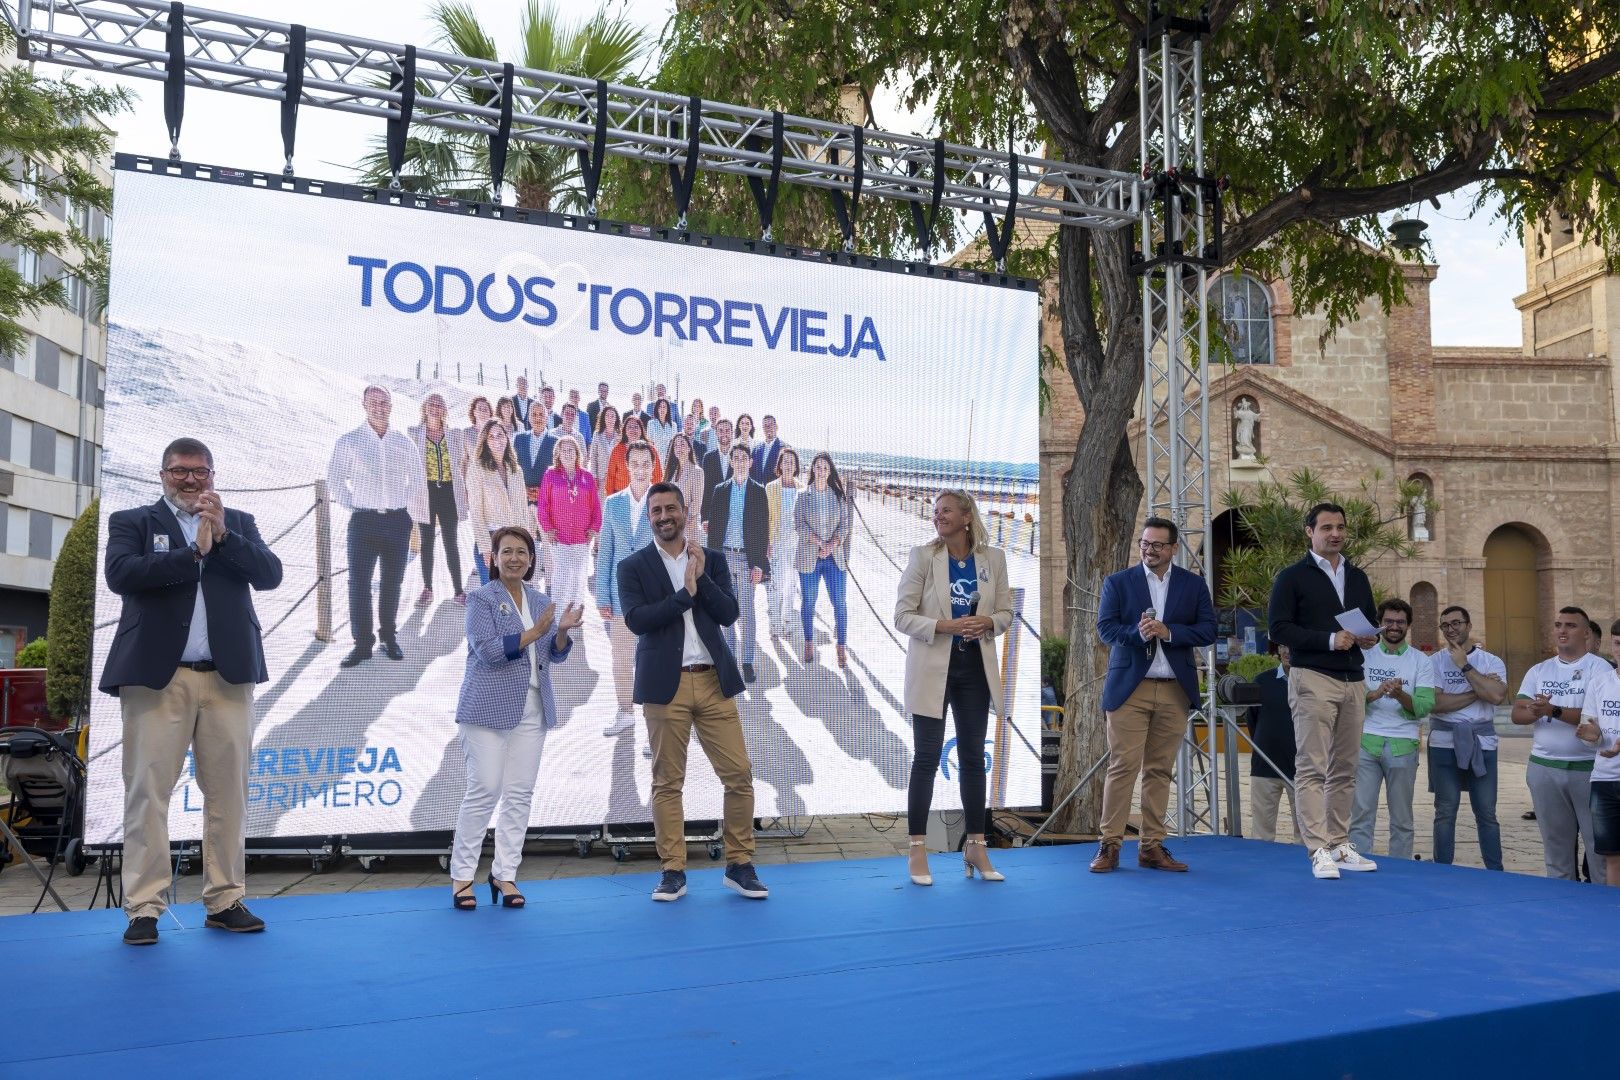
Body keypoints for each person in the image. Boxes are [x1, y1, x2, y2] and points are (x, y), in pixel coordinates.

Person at [100, 437, 284, 945]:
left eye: (199, 471)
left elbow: (270, 575)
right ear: (163, 474)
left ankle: (225, 899)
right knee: (148, 794)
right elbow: (121, 574)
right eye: (179, 471)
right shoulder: (133, 522)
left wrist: (223, 537)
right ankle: (144, 908)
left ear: (212, 475)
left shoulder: (238, 522)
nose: (190, 480)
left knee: (229, 795)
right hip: (157, 679)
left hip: (228, 677)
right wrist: (191, 554)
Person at [618, 480, 768, 903]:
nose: (664, 516)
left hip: (713, 682)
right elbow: (637, 620)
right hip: (665, 688)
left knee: (739, 775)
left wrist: (701, 579)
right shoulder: (633, 566)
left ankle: (739, 864)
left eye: (671, 509)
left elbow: (729, 613)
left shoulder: (711, 559)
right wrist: (685, 593)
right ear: (649, 518)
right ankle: (673, 871)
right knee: (668, 782)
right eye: (656, 511)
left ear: (685, 512)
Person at [450, 526, 582, 909]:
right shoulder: (480, 599)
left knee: (520, 794)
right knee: (485, 789)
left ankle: (505, 874)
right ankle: (462, 877)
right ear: (493, 557)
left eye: (522, 552)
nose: (514, 558)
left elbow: (551, 655)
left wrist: (559, 635)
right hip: (485, 709)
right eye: (506, 551)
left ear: (531, 559)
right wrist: (535, 631)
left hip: (532, 709)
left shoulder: (541, 600)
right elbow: (489, 650)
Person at [894, 490, 1014, 886]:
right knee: (926, 758)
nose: (937, 517)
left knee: (973, 760)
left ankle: (976, 844)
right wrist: (945, 626)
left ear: (966, 517)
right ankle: (916, 848)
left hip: (974, 671)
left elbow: (1006, 612)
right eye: (935, 512)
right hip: (932, 671)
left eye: (946, 511)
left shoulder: (993, 559)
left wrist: (988, 622)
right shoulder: (923, 557)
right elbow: (903, 616)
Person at [1090, 516, 1218, 873]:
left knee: (1160, 770)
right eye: (1145, 543)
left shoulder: (1193, 585)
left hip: (1175, 689)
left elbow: (1209, 629)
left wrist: (1169, 631)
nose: (1149, 550)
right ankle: (1110, 845)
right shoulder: (1119, 582)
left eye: (1157, 545)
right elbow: (1105, 628)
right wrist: (1139, 633)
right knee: (1123, 767)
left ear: (1174, 548)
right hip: (1131, 689)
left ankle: (1152, 846)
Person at [1267, 502, 1381, 879]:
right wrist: (1330, 640)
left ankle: (1340, 841)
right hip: (1313, 676)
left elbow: (1369, 621)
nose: (1335, 534)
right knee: (1312, 766)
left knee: (1346, 768)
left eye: (1341, 527)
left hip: (1354, 679)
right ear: (1309, 531)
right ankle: (1318, 849)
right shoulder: (1291, 577)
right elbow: (1279, 629)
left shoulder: (1358, 576)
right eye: (1327, 527)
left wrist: (1366, 638)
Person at [328, 385, 425, 667]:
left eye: (384, 402)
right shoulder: (350, 441)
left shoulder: (402, 441)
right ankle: (362, 644)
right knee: (358, 584)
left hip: (397, 521)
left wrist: (403, 505)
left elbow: (417, 477)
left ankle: (388, 637)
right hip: (364, 521)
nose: (380, 407)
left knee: (392, 582)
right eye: (374, 402)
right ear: (364, 405)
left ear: (391, 406)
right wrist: (355, 505)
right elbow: (336, 479)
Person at [1512, 605, 1609, 881]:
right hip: (1545, 767)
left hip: (1589, 770)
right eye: (1558, 625)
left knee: (1598, 850)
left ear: (1586, 633)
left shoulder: (1599, 669)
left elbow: (1597, 719)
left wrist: (1552, 710)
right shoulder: (1539, 670)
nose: (1562, 630)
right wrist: (1535, 709)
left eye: (1570, 625)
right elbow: (1517, 713)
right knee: (1556, 850)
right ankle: (1563, 907)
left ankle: (1601, 907)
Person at [1349, 599, 1434, 860]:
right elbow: (1350, 699)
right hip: (1366, 741)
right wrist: (1374, 694)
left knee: (1402, 816)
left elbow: (1425, 706)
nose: (1394, 626)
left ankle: (1401, 869)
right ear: (1380, 624)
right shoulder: (1363, 656)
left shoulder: (1421, 661)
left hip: (1403, 745)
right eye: (1388, 621)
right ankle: (1359, 862)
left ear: (1408, 625)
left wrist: (1399, 695)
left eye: (1399, 622)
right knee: (1361, 813)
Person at [1428, 605, 1508, 870]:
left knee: (1486, 812)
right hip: (1443, 742)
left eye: (1456, 623)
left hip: (1482, 744)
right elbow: (1436, 703)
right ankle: (1442, 869)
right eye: (1445, 625)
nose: (1451, 629)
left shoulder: (1491, 661)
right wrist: (1479, 689)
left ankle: (1495, 871)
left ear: (1469, 625)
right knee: (1445, 811)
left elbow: (1497, 696)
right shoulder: (1435, 662)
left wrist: (1464, 666)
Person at [596, 440, 658, 740]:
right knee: (620, 657)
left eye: (646, 463)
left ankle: (652, 723)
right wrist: (602, 596)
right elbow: (605, 552)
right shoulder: (613, 503)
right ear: (627, 466)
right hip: (621, 597)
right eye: (635, 463)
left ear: (653, 466)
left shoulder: (664, 502)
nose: (641, 469)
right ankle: (624, 711)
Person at [706, 441, 769, 683]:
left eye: (745, 458)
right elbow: (713, 531)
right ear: (731, 462)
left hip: (746, 559)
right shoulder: (720, 490)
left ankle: (748, 661)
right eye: (736, 458)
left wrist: (759, 565)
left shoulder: (758, 491)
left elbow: (762, 530)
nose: (740, 462)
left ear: (750, 463)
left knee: (747, 612)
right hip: (723, 556)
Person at [407, 393, 468, 607]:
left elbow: (462, 463)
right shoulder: (414, 433)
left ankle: (459, 590)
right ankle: (427, 588)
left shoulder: (454, 434)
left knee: (451, 542)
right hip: (426, 492)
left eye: (440, 405)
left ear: (445, 410)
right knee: (427, 542)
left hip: (449, 492)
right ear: (424, 408)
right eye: (431, 404)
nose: (435, 408)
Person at [794, 451, 853, 668]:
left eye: (825, 468)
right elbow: (798, 524)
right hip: (810, 557)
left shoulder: (838, 496)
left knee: (839, 603)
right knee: (808, 602)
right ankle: (809, 642)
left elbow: (845, 526)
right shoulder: (802, 495)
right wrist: (818, 542)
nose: (821, 471)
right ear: (812, 469)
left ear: (830, 472)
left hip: (834, 558)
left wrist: (831, 545)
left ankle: (841, 647)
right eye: (818, 467)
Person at [536, 433, 600, 611]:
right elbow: (543, 505)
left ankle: (577, 609)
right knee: (562, 575)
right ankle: (559, 613)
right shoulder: (550, 475)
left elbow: (595, 506)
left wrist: (594, 529)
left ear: (577, 453)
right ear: (558, 454)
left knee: (579, 575)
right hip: (559, 537)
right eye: (564, 450)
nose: (568, 453)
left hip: (582, 537)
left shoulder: (587, 477)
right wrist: (548, 529)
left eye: (571, 450)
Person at [466, 420, 531, 587]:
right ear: (485, 442)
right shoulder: (477, 468)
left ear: (507, 438)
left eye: (500, 435)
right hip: (491, 540)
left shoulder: (516, 469)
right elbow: (476, 512)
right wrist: (486, 549)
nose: (497, 440)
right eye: (491, 437)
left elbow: (523, 509)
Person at [1247, 645, 1301, 844]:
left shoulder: (1312, 682)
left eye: (1291, 646)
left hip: (1303, 769)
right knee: (1261, 834)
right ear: (1278, 649)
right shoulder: (1262, 681)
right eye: (1283, 646)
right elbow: (1252, 719)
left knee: (1306, 834)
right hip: (1264, 766)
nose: (1288, 651)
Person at [1576, 665, 1620, 886]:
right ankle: (1614, 910)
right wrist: (1591, 736)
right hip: (1604, 778)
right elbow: (1589, 731)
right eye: (1617, 643)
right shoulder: (1599, 683)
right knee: (1611, 855)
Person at [764, 445, 802, 638]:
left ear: (796, 466)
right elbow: (766, 517)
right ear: (779, 464)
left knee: (791, 583)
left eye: (791, 462)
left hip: (796, 543)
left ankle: (786, 621)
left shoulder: (802, 488)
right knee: (776, 583)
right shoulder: (771, 488)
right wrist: (767, 542)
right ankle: (774, 623)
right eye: (785, 461)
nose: (788, 465)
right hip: (777, 541)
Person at [607, 413, 665, 494]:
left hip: (645, 495)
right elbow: (610, 475)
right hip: (621, 495)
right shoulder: (617, 450)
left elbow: (658, 475)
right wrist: (610, 497)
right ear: (625, 431)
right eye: (629, 427)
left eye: (636, 427)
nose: (633, 430)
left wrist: (654, 494)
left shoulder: (651, 449)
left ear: (641, 430)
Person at [664, 432, 706, 543]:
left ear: (689, 448)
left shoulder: (697, 471)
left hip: (689, 529)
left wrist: (681, 523)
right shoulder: (672, 472)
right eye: (676, 445)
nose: (679, 448)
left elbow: (696, 504)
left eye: (682, 444)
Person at [513, 404, 558, 501]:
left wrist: (543, 491)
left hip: (547, 501)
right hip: (522, 498)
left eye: (541, 414)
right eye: (534, 414)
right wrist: (523, 489)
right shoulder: (519, 439)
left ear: (547, 418)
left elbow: (559, 472)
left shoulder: (556, 442)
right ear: (529, 418)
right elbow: (512, 468)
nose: (538, 418)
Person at [699, 419, 735, 523]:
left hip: (734, 515)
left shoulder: (738, 457)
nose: (724, 434)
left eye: (727, 431)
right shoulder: (708, 458)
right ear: (716, 433)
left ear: (732, 433)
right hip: (713, 514)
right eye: (721, 431)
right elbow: (705, 489)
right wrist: (704, 518)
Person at [586, 405, 621, 497]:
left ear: (616, 418)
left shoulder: (620, 436)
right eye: (607, 416)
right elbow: (593, 457)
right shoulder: (597, 434)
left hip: (617, 478)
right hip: (601, 478)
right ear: (603, 418)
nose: (610, 418)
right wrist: (594, 476)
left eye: (612, 416)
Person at [461, 396, 493, 478]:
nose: (483, 412)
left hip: (494, 478)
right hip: (474, 479)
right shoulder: (466, 433)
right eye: (479, 409)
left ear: (490, 412)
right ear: (474, 412)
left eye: (485, 409)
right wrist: (464, 484)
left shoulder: (496, 431)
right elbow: (464, 461)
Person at [751, 414, 784, 485]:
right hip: (757, 492)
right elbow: (752, 471)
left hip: (775, 492)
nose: (768, 428)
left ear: (776, 427)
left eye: (770, 425)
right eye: (765, 426)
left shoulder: (784, 448)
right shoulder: (756, 449)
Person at [646, 397, 679, 462]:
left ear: (667, 410)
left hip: (670, 460)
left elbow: (675, 444)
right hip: (656, 459)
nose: (662, 409)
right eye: (660, 407)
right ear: (657, 409)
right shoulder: (651, 424)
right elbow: (649, 443)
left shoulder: (673, 425)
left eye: (664, 407)